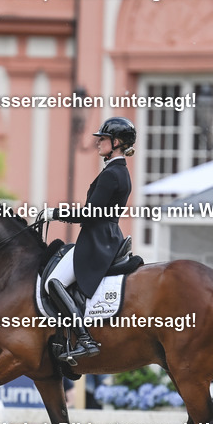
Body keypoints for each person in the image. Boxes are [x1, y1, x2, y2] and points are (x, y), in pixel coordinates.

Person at [46, 117, 135, 362]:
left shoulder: (111, 174)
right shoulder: (120, 171)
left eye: (103, 139)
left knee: (54, 282)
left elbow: (90, 213)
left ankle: (85, 339)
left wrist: (56, 213)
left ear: (116, 142)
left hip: (97, 240)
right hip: (106, 237)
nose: (98, 142)